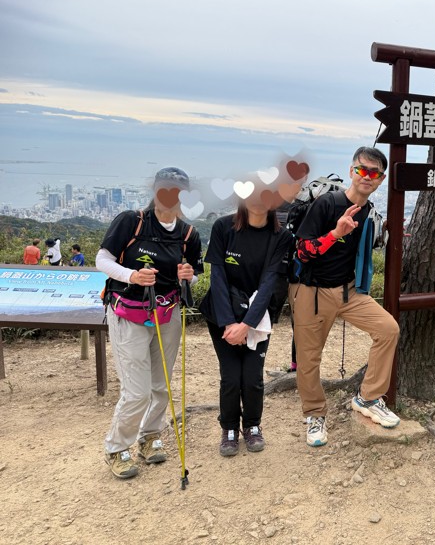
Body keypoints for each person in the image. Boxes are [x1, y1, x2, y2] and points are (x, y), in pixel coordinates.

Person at [95, 167, 203, 480]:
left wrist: (189, 276)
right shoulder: (132, 221)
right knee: (137, 390)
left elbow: (194, 271)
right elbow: (103, 259)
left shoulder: (188, 234)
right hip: (128, 312)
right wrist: (132, 276)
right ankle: (117, 446)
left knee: (161, 384)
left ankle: (150, 435)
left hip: (166, 313)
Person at [289, 146, 399, 447]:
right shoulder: (327, 204)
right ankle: (314, 415)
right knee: (309, 359)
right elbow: (302, 251)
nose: (367, 177)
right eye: (362, 170)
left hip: (350, 291)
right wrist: (335, 234)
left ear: (381, 179)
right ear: (352, 171)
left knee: (388, 329)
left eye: (374, 173)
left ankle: (368, 398)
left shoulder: (369, 212)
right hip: (311, 291)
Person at [199, 194, 293, 457]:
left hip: (258, 317)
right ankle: (229, 427)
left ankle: (252, 425)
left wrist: (247, 325)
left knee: (252, 378)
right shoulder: (223, 228)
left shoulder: (282, 237)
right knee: (230, 377)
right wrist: (229, 322)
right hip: (221, 314)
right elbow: (216, 277)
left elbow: (269, 284)